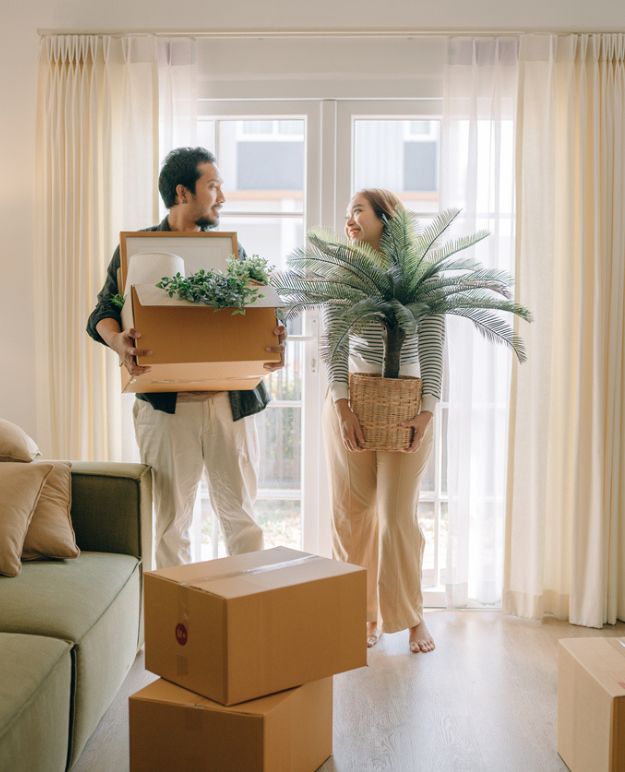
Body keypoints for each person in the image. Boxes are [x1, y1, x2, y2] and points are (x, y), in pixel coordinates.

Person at [87, 147, 285, 569]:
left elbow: (263, 311)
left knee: (243, 520)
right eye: (212, 186)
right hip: (166, 409)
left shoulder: (233, 253)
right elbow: (102, 313)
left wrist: (271, 339)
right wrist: (119, 341)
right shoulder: (136, 250)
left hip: (230, 405)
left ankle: (249, 627)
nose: (221, 198)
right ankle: (178, 631)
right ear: (182, 192)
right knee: (169, 526)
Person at [322, 189, 444, 653]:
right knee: (352, 516)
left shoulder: (419, 277)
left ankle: (412, 617)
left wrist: (427, 410)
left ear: (384, 218)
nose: (349, 218)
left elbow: (433, 348)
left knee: (396, 516)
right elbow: (331, 344)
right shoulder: (343, 274)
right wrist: (342, 407)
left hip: (408, 406)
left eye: (358, 210)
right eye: (347, 210)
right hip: (351, 403)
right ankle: (361, 616)